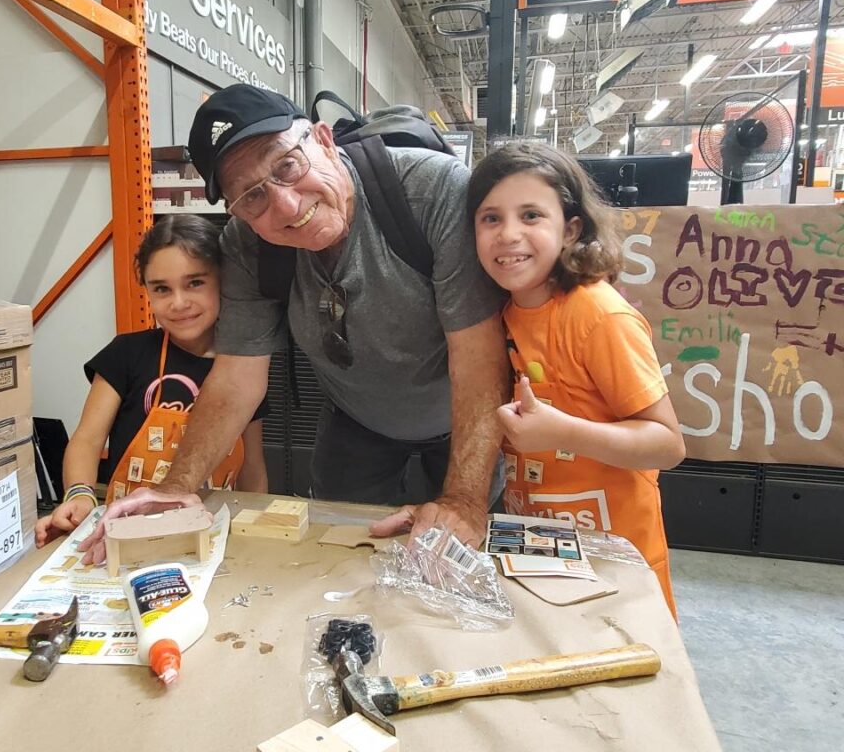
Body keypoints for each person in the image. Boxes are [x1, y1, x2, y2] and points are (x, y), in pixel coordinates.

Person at [77, 84, 507, 565]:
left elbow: (479, 360)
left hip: (459, 418)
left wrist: (464, 500)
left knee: (461, 557)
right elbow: (238, 375)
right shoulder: (248, 244)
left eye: (286, 166)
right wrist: (178, 486)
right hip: (356, 422)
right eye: (251, 198)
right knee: (333, 560)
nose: (284, 206)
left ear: (323, 140)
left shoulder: (432, 191)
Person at [467, 140, 685, 616]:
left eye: (530, 216)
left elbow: (668, 443)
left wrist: (560, 431)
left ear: (570, 230)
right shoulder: (502, 316)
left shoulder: (599, 315)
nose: (508, 234)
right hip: (543, 548)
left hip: (618, 556)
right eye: (491, 218)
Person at [35, 215, 268, 548]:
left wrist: (254, 529)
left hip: (210, 536)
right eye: (161, 288)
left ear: (225, 282)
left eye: (195, 283)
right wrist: (80, 494)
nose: (178, 302)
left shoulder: (244, 370)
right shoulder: (127, 353)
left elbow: (253, 468)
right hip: (126, 533)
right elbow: (87, 439)